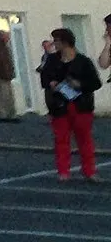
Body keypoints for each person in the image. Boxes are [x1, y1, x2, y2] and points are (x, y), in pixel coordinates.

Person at [39, 26, 102, 181]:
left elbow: (95, 83)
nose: (55, 44)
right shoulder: (53, 60)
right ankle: (63, 171)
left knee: (85, 139)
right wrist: (51, 83)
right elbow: (44, 79)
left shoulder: (83, 61)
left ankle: (89, 171)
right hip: (60, 104)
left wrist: (79, 85)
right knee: (61, 139)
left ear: (66, 42)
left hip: (81, 105)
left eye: (57, 41)